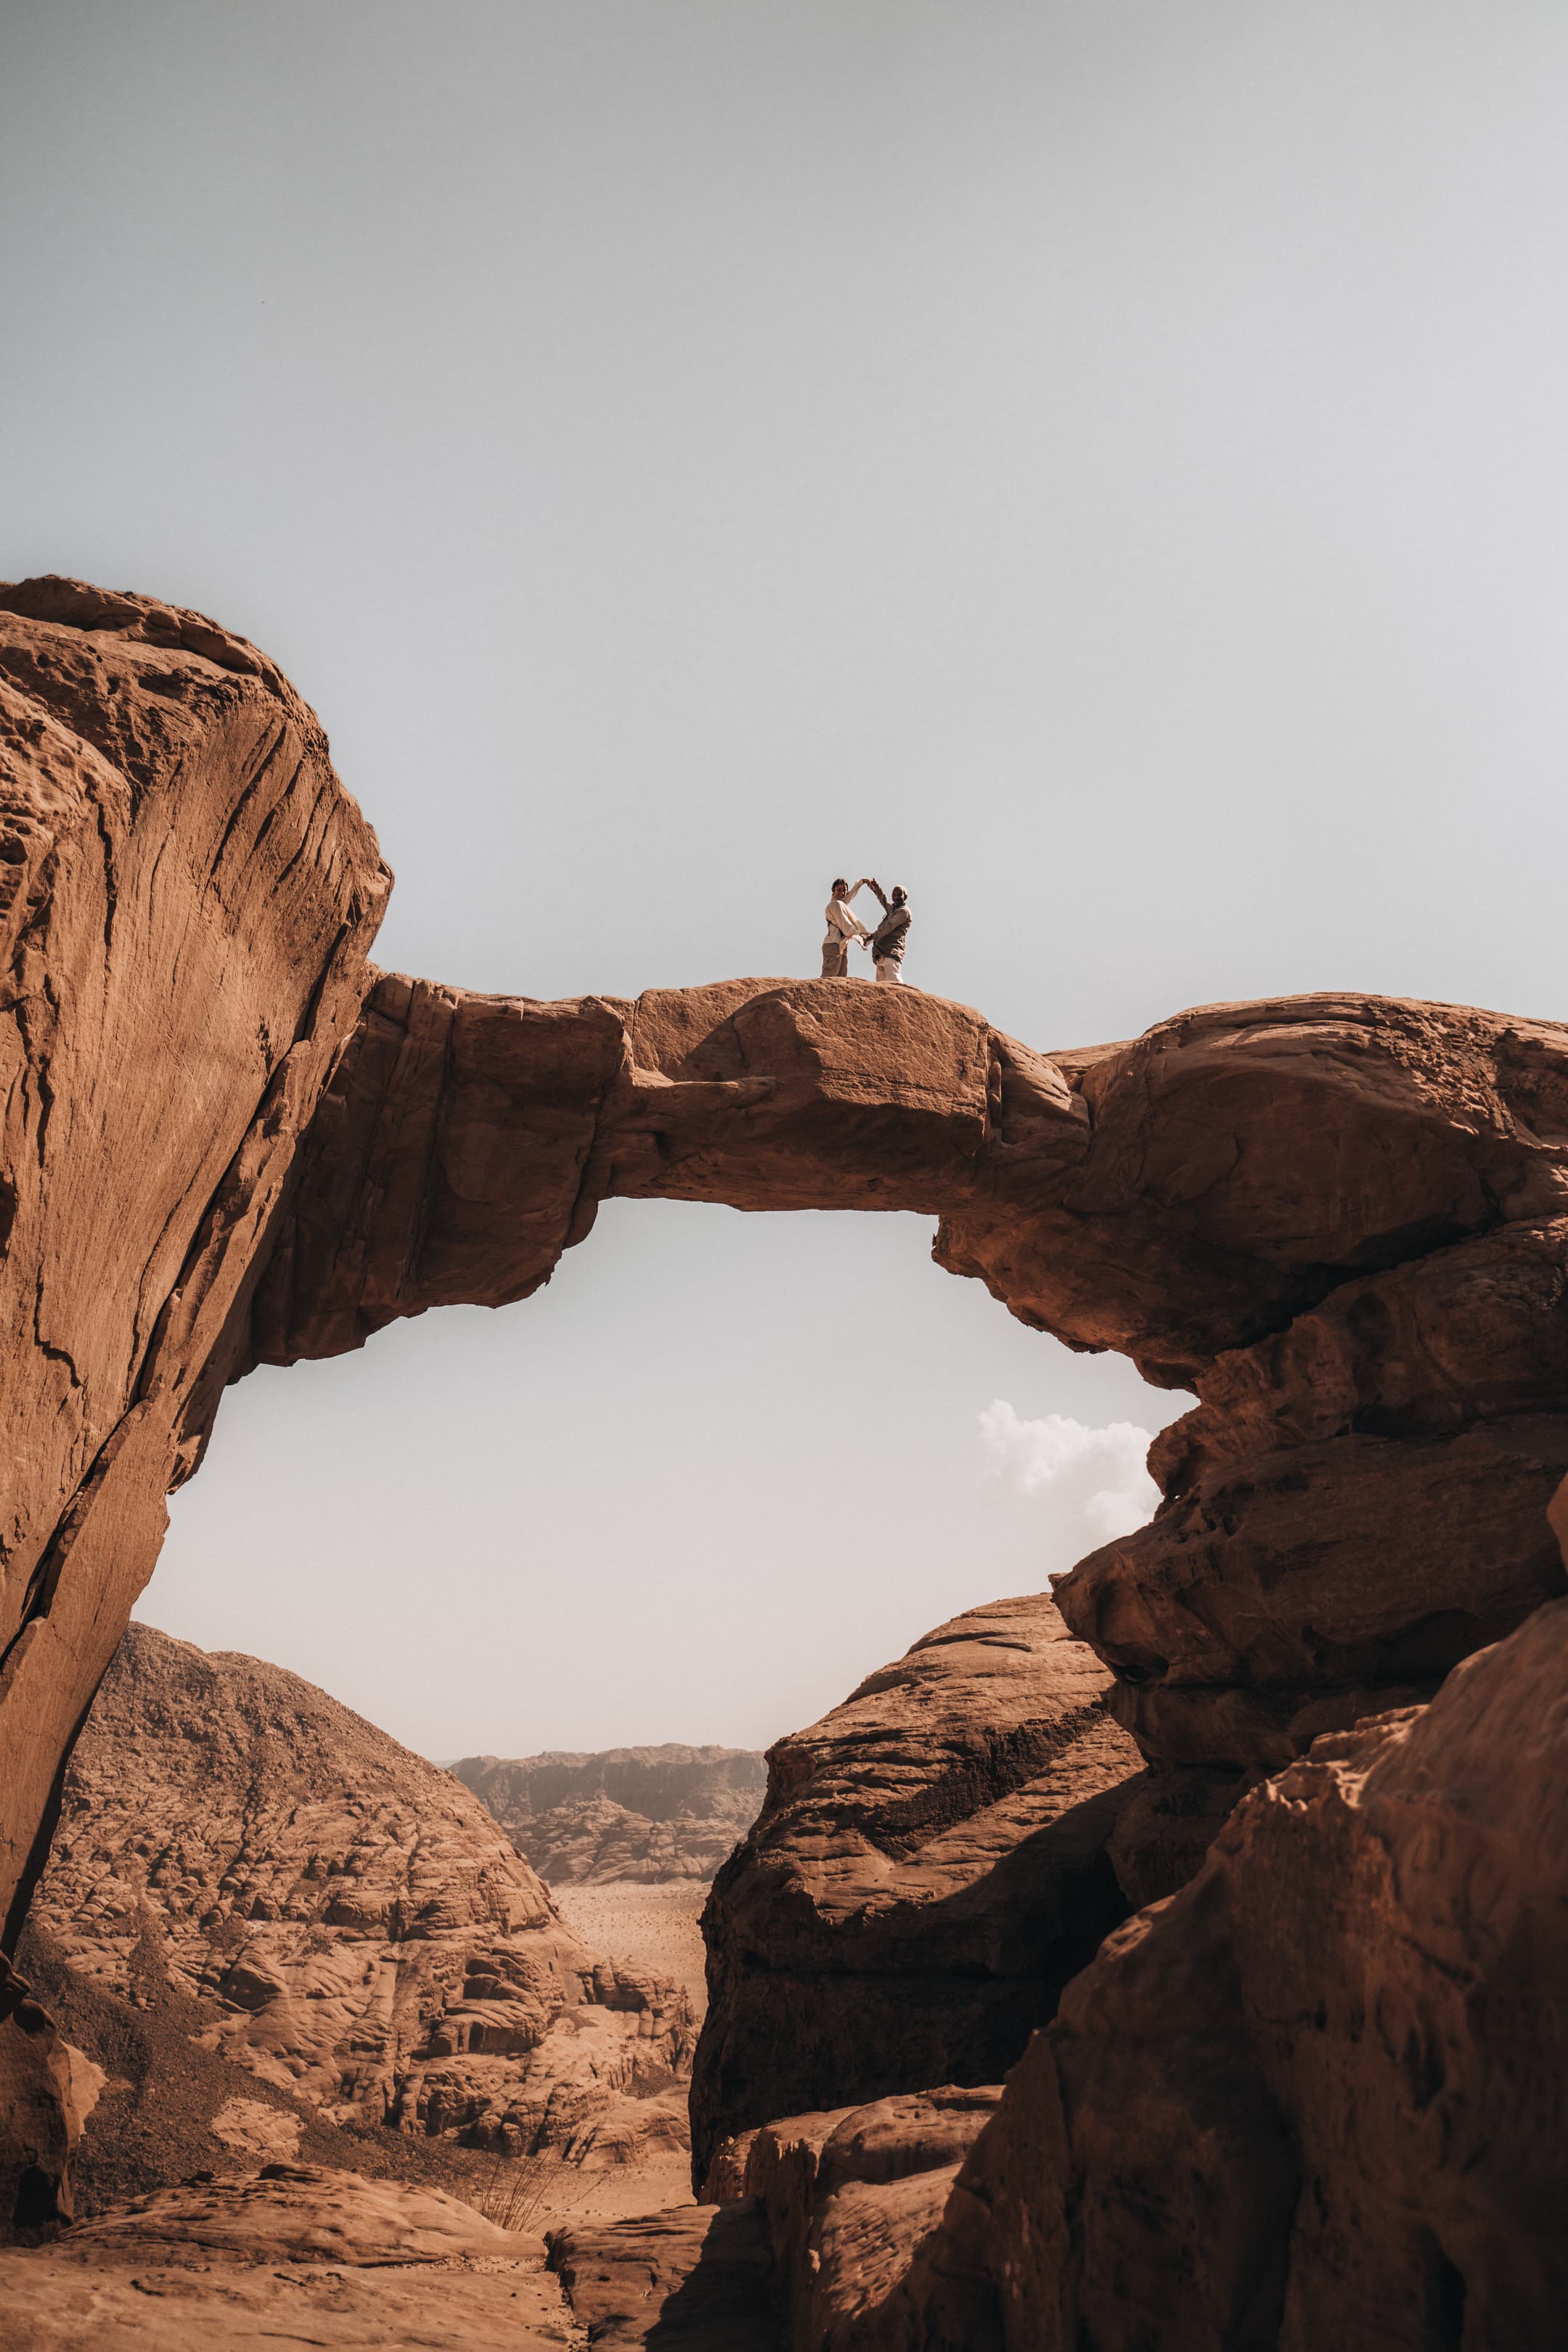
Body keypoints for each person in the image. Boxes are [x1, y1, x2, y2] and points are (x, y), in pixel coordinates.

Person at [821, 876, 873, 976]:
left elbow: (850, 896)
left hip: (841, 944)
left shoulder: (841, 904)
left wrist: (862, 882)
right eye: (838, 890)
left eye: (844, 890)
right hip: (832, 944)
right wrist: (861, 935)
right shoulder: (835, 905)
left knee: (841, 976)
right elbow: (846, 927)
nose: (842, 893)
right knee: (829, 975)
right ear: (833, 890)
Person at [865, 879, 911, 983]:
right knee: (882, 988)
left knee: (895, 983)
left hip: (892, 952)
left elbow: (888, 926)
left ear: (905, 897)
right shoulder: (893, 910)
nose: (896, 897)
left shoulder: (904, 912)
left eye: (899, 895)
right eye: (894, 894)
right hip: (880, 953)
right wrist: (876, 888)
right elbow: (884, 901)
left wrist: (873, 936)